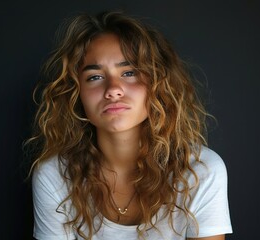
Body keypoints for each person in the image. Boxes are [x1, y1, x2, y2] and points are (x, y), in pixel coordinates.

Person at [27, 11, 232, 240]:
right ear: (76, 93)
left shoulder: (200, 171)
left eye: (129, 72)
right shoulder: (55, 174)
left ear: (157, 83)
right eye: (95, 77)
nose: (113, 89)